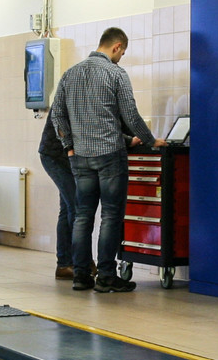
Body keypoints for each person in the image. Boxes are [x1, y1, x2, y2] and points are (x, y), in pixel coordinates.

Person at [49, 27, 164, 293]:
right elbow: (131, 116)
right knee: (111, 216)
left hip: (80, 157)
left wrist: (69, 146)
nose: (121, 57)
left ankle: (80, 276)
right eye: (122, 52)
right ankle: (106, 277)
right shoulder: (116, 74)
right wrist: (150, 140)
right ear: (117, 46)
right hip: (110, 155)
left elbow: (57, 116)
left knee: (82, 216)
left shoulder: (70, 74)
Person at [37, 117, 77, 280]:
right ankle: (79, 261)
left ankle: (65, 265)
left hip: (65, 156)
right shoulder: (67, 101)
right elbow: (61, 124)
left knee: (68, 208)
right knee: (76, 207)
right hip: (55, 155)